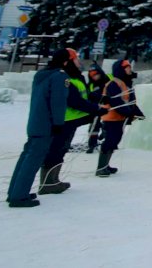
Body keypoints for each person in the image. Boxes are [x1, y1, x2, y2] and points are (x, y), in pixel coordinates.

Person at [5, 48, 72, 207]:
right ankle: (19, 196)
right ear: (65, 61)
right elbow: (58, 102)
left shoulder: (42, 74)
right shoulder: (59, 77)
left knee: (26, 157)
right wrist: (58, 123)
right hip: (46, 124)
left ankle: (14, 191)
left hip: (35, 122)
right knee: (33, 160)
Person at [38, 49, 103, 194]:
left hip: (70, 121)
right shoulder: (64, 78)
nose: (79, 62)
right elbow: (75, 101)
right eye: (76, 59)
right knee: (55, 151)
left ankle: (54, 180)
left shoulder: (74, 77)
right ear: (67, 61)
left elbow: (83, 96)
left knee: (61, 150)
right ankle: (47, 183)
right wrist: (96, 109)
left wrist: (97, 99)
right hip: (62, 122)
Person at [96, 58, 145, 177]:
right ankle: (101, 168)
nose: (130, 70)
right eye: (127, 67)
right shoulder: (114, 84)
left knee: (115, 141)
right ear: (121, 70)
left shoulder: (126, 84)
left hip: (119, 119)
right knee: (110, 141)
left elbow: (131, 102)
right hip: (110, 118)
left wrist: (138, 113)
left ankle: (106, 165)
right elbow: (116, 102)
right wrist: (129, 113)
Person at [84, 64, 111, 153]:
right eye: (92, 75)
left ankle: (106, 137)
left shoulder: (108, 80)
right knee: (94, 125)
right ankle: (92, 144)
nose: (94, 77)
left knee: (108, 124)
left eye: (96, 74)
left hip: (109, 107)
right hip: (97, 107)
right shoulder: (91, 84)